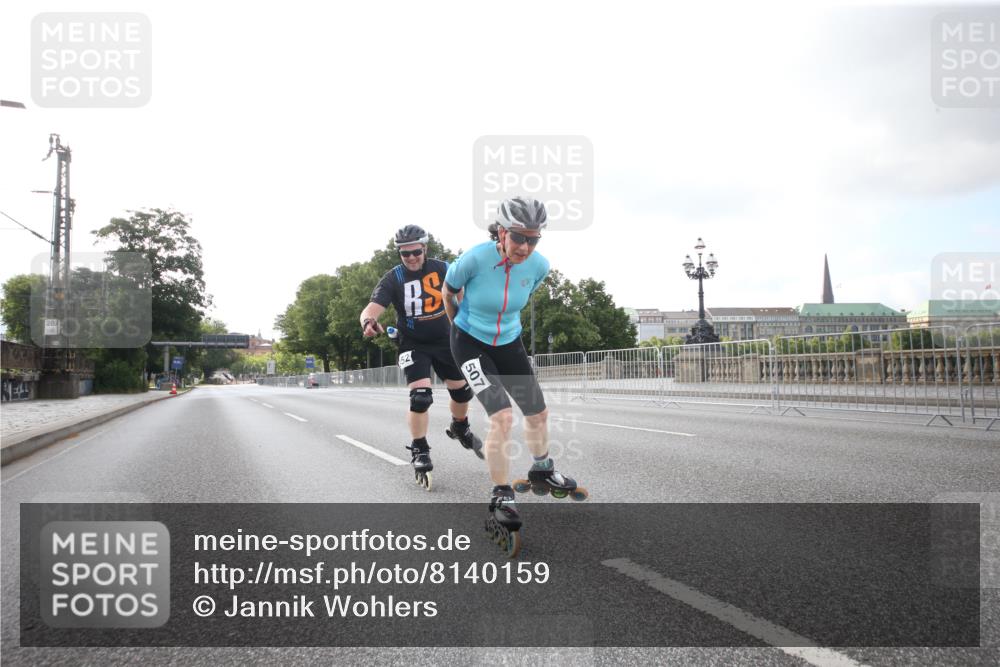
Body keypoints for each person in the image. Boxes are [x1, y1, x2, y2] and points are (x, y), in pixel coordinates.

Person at [443, 197, 587, 556]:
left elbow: (519, 297)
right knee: (502, 417)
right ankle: (500, 493)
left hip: (508, 343)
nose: (525, 247)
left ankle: (542, 469)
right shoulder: (474, 259)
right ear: (502, 232)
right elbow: (448, 292)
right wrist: (457, 330)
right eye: (519, 238)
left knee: (538, 414)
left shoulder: (539, 266)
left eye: (533, 239)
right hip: (470, 342)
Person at [360, 225, 483, 491]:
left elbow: (462, 299)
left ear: (425, 248)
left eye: (416, 252)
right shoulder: (393, 278)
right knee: (421, 397)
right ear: (400, 254)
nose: (412, 258)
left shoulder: (443, 269)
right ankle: (419, 449)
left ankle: (460, 426)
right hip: (412, 343)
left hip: (445, 340)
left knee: (462, 394)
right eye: (405, 254)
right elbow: (371, 308)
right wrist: (369, 322)